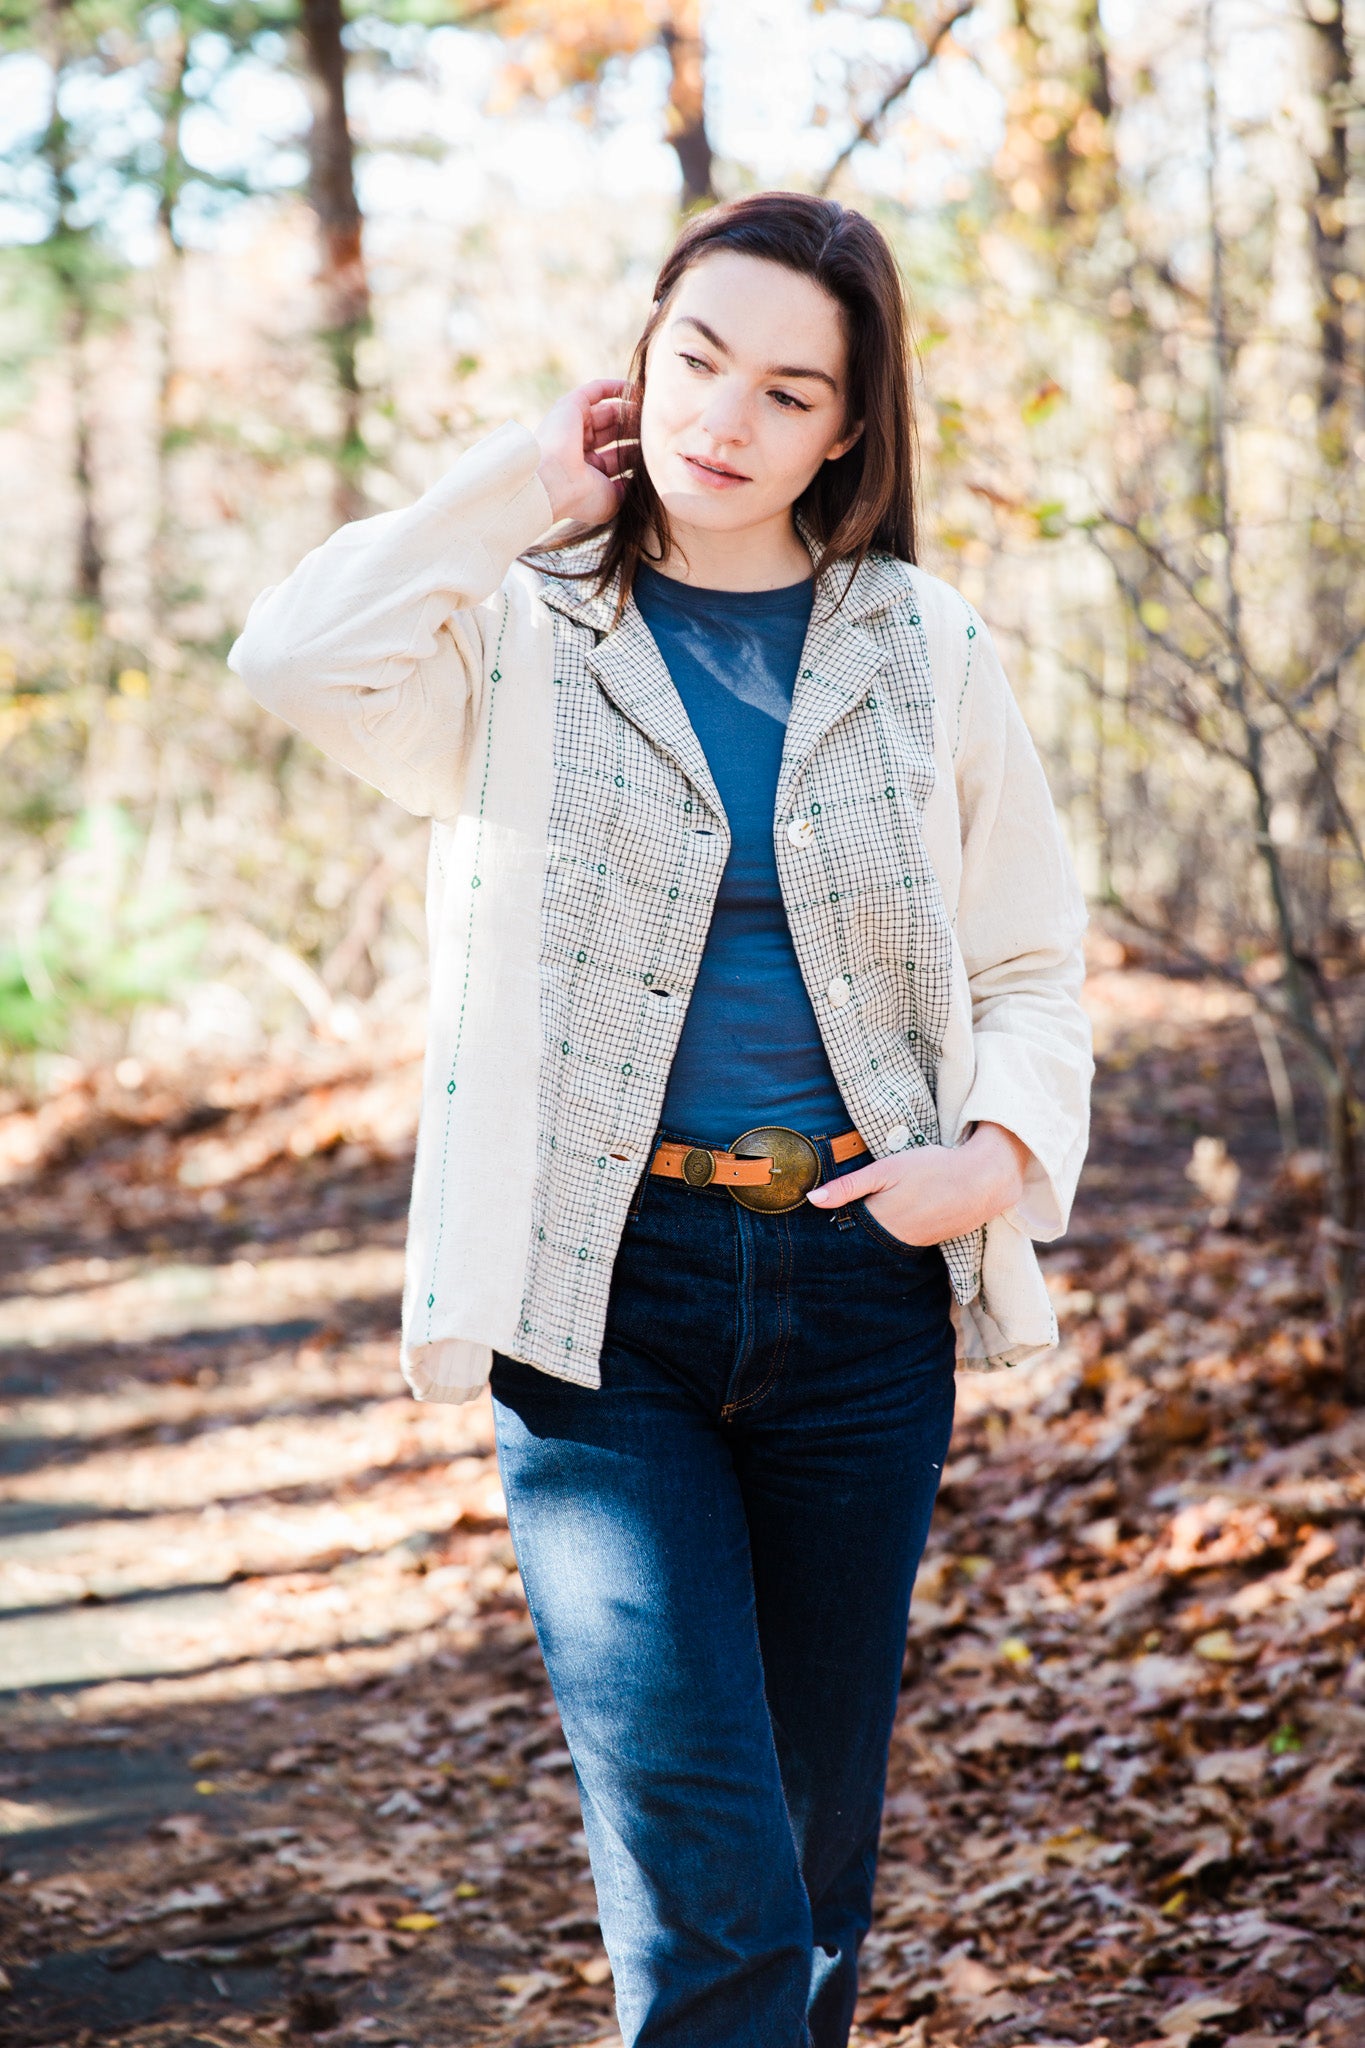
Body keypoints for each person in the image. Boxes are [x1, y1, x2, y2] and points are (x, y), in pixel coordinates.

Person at [230, 191, 1093, 2048]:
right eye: (697, 357)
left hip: (862, 1296)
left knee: (805, 1855)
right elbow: (293, 662)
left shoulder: (919, 644)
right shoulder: (522, 634)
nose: (727, 416)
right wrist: (505, 490)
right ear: (639, 353)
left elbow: (1030, 963)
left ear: (846, 430)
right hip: (597, 1301)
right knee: (708, 1870)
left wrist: (992, 1167)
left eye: (789, 390)